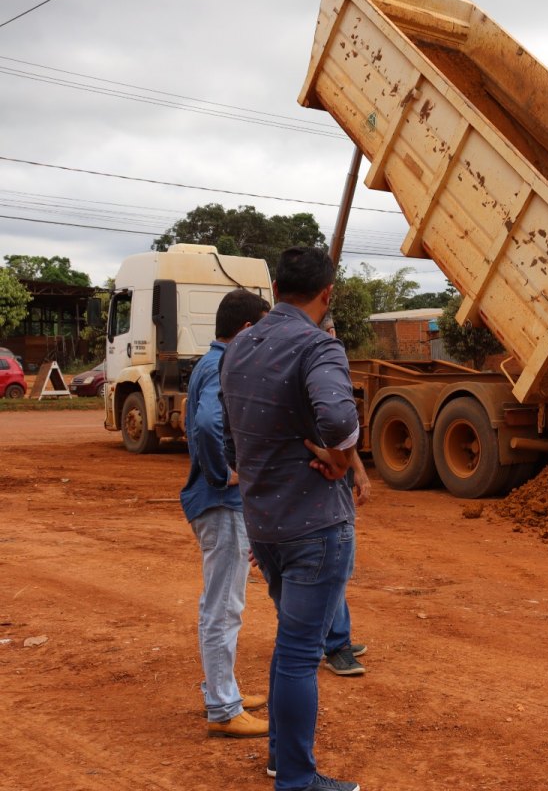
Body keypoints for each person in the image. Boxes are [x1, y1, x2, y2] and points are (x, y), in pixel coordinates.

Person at [222, 247, 362, 791]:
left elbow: (231, 443)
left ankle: (283, 761)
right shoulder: (317, 346)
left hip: (264, 525)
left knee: (291, 646)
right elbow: (337, 417)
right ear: (327, 295)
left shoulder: (240, 347)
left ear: (276, 288)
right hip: (316, 528)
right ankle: (297, 780)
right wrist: (342, 458)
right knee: (301, 654)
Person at [180, 288, 271, 738]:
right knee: (224, 606)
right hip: (219, 502)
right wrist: (224, 474)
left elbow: (189, 419)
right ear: (248, 330)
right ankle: (222, 706)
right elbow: (206, 424)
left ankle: (223, 688)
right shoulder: (223, 365)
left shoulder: (206, 363)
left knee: (220, 602)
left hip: (210, 500)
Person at [319, 312, 368, 677]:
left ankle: (338, 636)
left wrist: (361, 475)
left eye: (336, 329)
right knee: (331, 564)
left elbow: (347, 435)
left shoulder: (334, 369)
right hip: (318, 484)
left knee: (341, 565)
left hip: (336, 484)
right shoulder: (314, 371)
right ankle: (334, 645)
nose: (334, 336)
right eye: (328, 330)